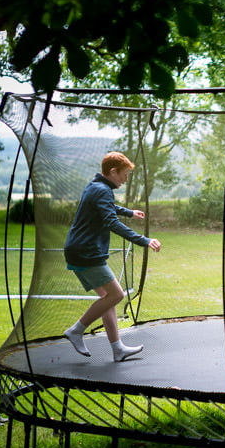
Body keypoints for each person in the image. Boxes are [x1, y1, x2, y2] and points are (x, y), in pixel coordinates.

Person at [63, 152, 162, 361]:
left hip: (78, 250)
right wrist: (144, 240)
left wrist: (129, 212)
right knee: (117, 295)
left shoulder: (96, 186)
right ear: (113, 171)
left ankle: (117, 349)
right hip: (87, 252)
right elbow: (111, 222)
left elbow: (108, 208)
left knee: (107, 299)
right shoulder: (103, 190)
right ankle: (76, 330)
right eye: (124, 175)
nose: (125, 180)